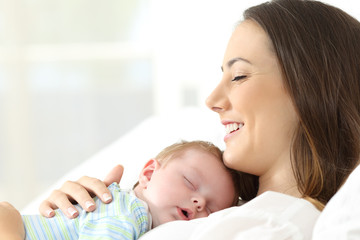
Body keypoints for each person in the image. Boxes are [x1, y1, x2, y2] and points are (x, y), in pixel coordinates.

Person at [13, 0, 360, 239]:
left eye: (238, 76)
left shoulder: (277, 223)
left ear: (309, 87)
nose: (212, 101)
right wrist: (66, 221)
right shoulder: (227, 212)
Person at [0, 140, 258, 240]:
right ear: (148, 174)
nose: (199, 201)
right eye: (190, 182)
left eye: (211, 209)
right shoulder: (131, 214)